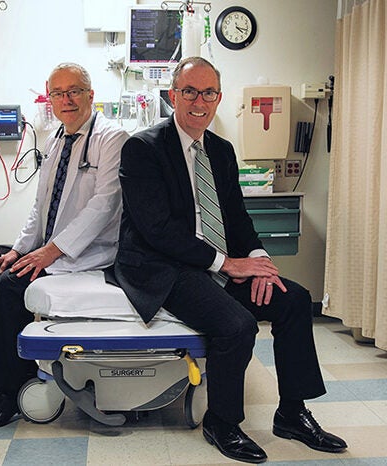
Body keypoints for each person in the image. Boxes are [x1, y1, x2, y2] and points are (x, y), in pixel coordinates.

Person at [112, 57, 347, 464]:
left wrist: (259, 259)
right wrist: (227, 265)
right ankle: (221, 421)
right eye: (189, 91)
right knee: (235, 325)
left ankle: (292, 412)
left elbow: (236, 217)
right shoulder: (142, 148)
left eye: (208, 92)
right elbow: (158, 231)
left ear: (218, 98)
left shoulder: (220, 151)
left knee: (294, 299)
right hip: (162, 265)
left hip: (215, 257)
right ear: (172, 96)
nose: (198, 101)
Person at [0, 62, 129, 432]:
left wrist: (51, 251)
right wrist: (20, 250)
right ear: (49, 98)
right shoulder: (56, 139)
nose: (66, 99)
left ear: (90, 95)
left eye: (74, 91)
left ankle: (5, 398)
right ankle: (13, 375)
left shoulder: (112, 137)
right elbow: (42, 205)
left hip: (87, 254)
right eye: (58, 93)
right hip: (53, 249)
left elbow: (105, 205)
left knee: (10, 287)